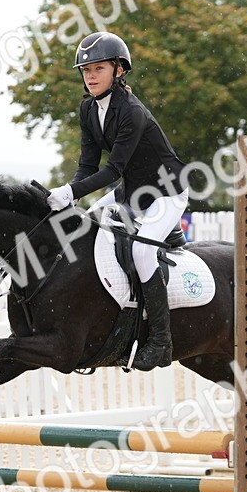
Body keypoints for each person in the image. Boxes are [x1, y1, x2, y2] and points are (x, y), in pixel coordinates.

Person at [44, 31, 189, 371]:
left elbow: (113, 170)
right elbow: (87, 166)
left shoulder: (131, 111)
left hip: (166, 192)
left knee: (142, 252)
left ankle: (161, 341)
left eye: (99, 68)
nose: (90, 76)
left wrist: (71, 192)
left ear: (119, 70)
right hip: (131, 192)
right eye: (86, 70)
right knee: (83, 230)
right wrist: (69, 193)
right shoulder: (88, 109)